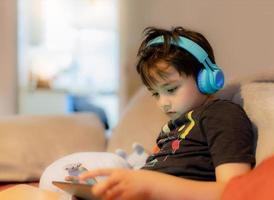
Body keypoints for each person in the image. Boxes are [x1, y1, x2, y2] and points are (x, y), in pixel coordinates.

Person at [77, 27, 256, 200]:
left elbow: (234, 192)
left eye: (171, 89)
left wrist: (151, 185)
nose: (163, 103)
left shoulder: (221, 115)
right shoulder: (172, 127)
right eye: (155, 94)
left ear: (207, 78)